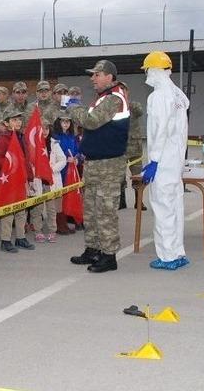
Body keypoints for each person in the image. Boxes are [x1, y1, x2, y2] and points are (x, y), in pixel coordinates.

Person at [67, 59, 130, 273]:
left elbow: (92, 121)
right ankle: (92, 249)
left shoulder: (114, 98)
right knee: (91, 210)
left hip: (109, 165)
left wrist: (73, 107)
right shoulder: (103, 97)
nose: (92, 78)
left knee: (105, 211)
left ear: (109, 77)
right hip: (95, 163)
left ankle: (109, 255)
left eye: (97, 74)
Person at [140, 51, 190, 270]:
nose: (147, 74)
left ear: (154, 70)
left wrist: (154, 161)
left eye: (148, 70)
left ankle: (167, 256)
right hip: (175, 162)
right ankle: (177, 252)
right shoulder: (177, 95)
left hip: (163, 162)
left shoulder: (159, 96)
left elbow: (160, 131)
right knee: (175, 207)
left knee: (162, 208)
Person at [0, 109, 35, 253]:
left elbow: (26, 159)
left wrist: (29, 177)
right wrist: (12, 164)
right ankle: (5, 240)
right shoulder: (3, 139)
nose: (18, 122)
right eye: (14, 120)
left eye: (19, 120)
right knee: (8, 211)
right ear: (6, 123)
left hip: (21, 179)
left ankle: (20, 237)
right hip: (9, 180)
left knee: (21, 210)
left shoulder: (21, 137)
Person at [34, 119, 67, 243]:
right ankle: (38, 231)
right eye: (42, 129)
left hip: (50, 179)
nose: (44, 131)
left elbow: (63, 160)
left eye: (47, 129)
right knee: (37, 208)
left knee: (51, 207)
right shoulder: (33, 144)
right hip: (38, 179)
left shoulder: (54, 143)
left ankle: (52, 231)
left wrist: (51, 169)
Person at [52, 115, 80, 234]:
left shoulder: (72, 137)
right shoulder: (55, 137)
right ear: (59, 122)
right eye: (63, 121)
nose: (66, 124)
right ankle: (59, 223)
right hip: (60, 170)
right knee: (59, 197)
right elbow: (55, 153)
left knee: (68, 195)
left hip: (70, 170)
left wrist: (77, 158)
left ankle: (67, 221)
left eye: (68, 121)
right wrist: (65, 159)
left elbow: (77, 150)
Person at [121, 100, 146, 210]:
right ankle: (121, 202)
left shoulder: (133, 105)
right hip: (120, 146)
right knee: (120, 176)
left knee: (138, 176)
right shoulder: (113, 106)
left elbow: (140, 111)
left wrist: (129, 103)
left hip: (135, 148)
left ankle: (139, 201)